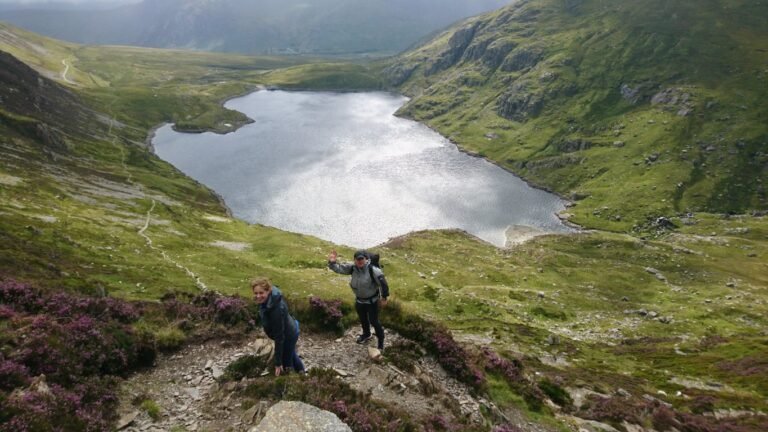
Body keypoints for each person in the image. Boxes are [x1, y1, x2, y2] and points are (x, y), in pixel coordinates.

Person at [327, 249, 390, 350]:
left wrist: (384, 298)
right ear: (354, 260)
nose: (360, 261)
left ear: (366, 259)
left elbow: (383, 284)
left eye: (362, 259)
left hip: (372, 302)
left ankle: (381, 342)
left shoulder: (373, 270)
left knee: (374, 321)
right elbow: (339, 268)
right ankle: (366, 334)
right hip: (360, 301)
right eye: (357, 259)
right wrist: (332, 262)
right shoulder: (352, 268)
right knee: (363, 319)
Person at [251, 277, 305, 376]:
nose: (258, 296)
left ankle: (294, 382)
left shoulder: (276, 309)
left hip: (288, 335)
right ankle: (303, 374)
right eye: (256, 293)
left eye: (261, 293)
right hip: (292, 327)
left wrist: (278, 362)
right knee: (291, 354)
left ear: (268, 291)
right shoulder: (269, 300)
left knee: (286, 364)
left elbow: (279, 337)